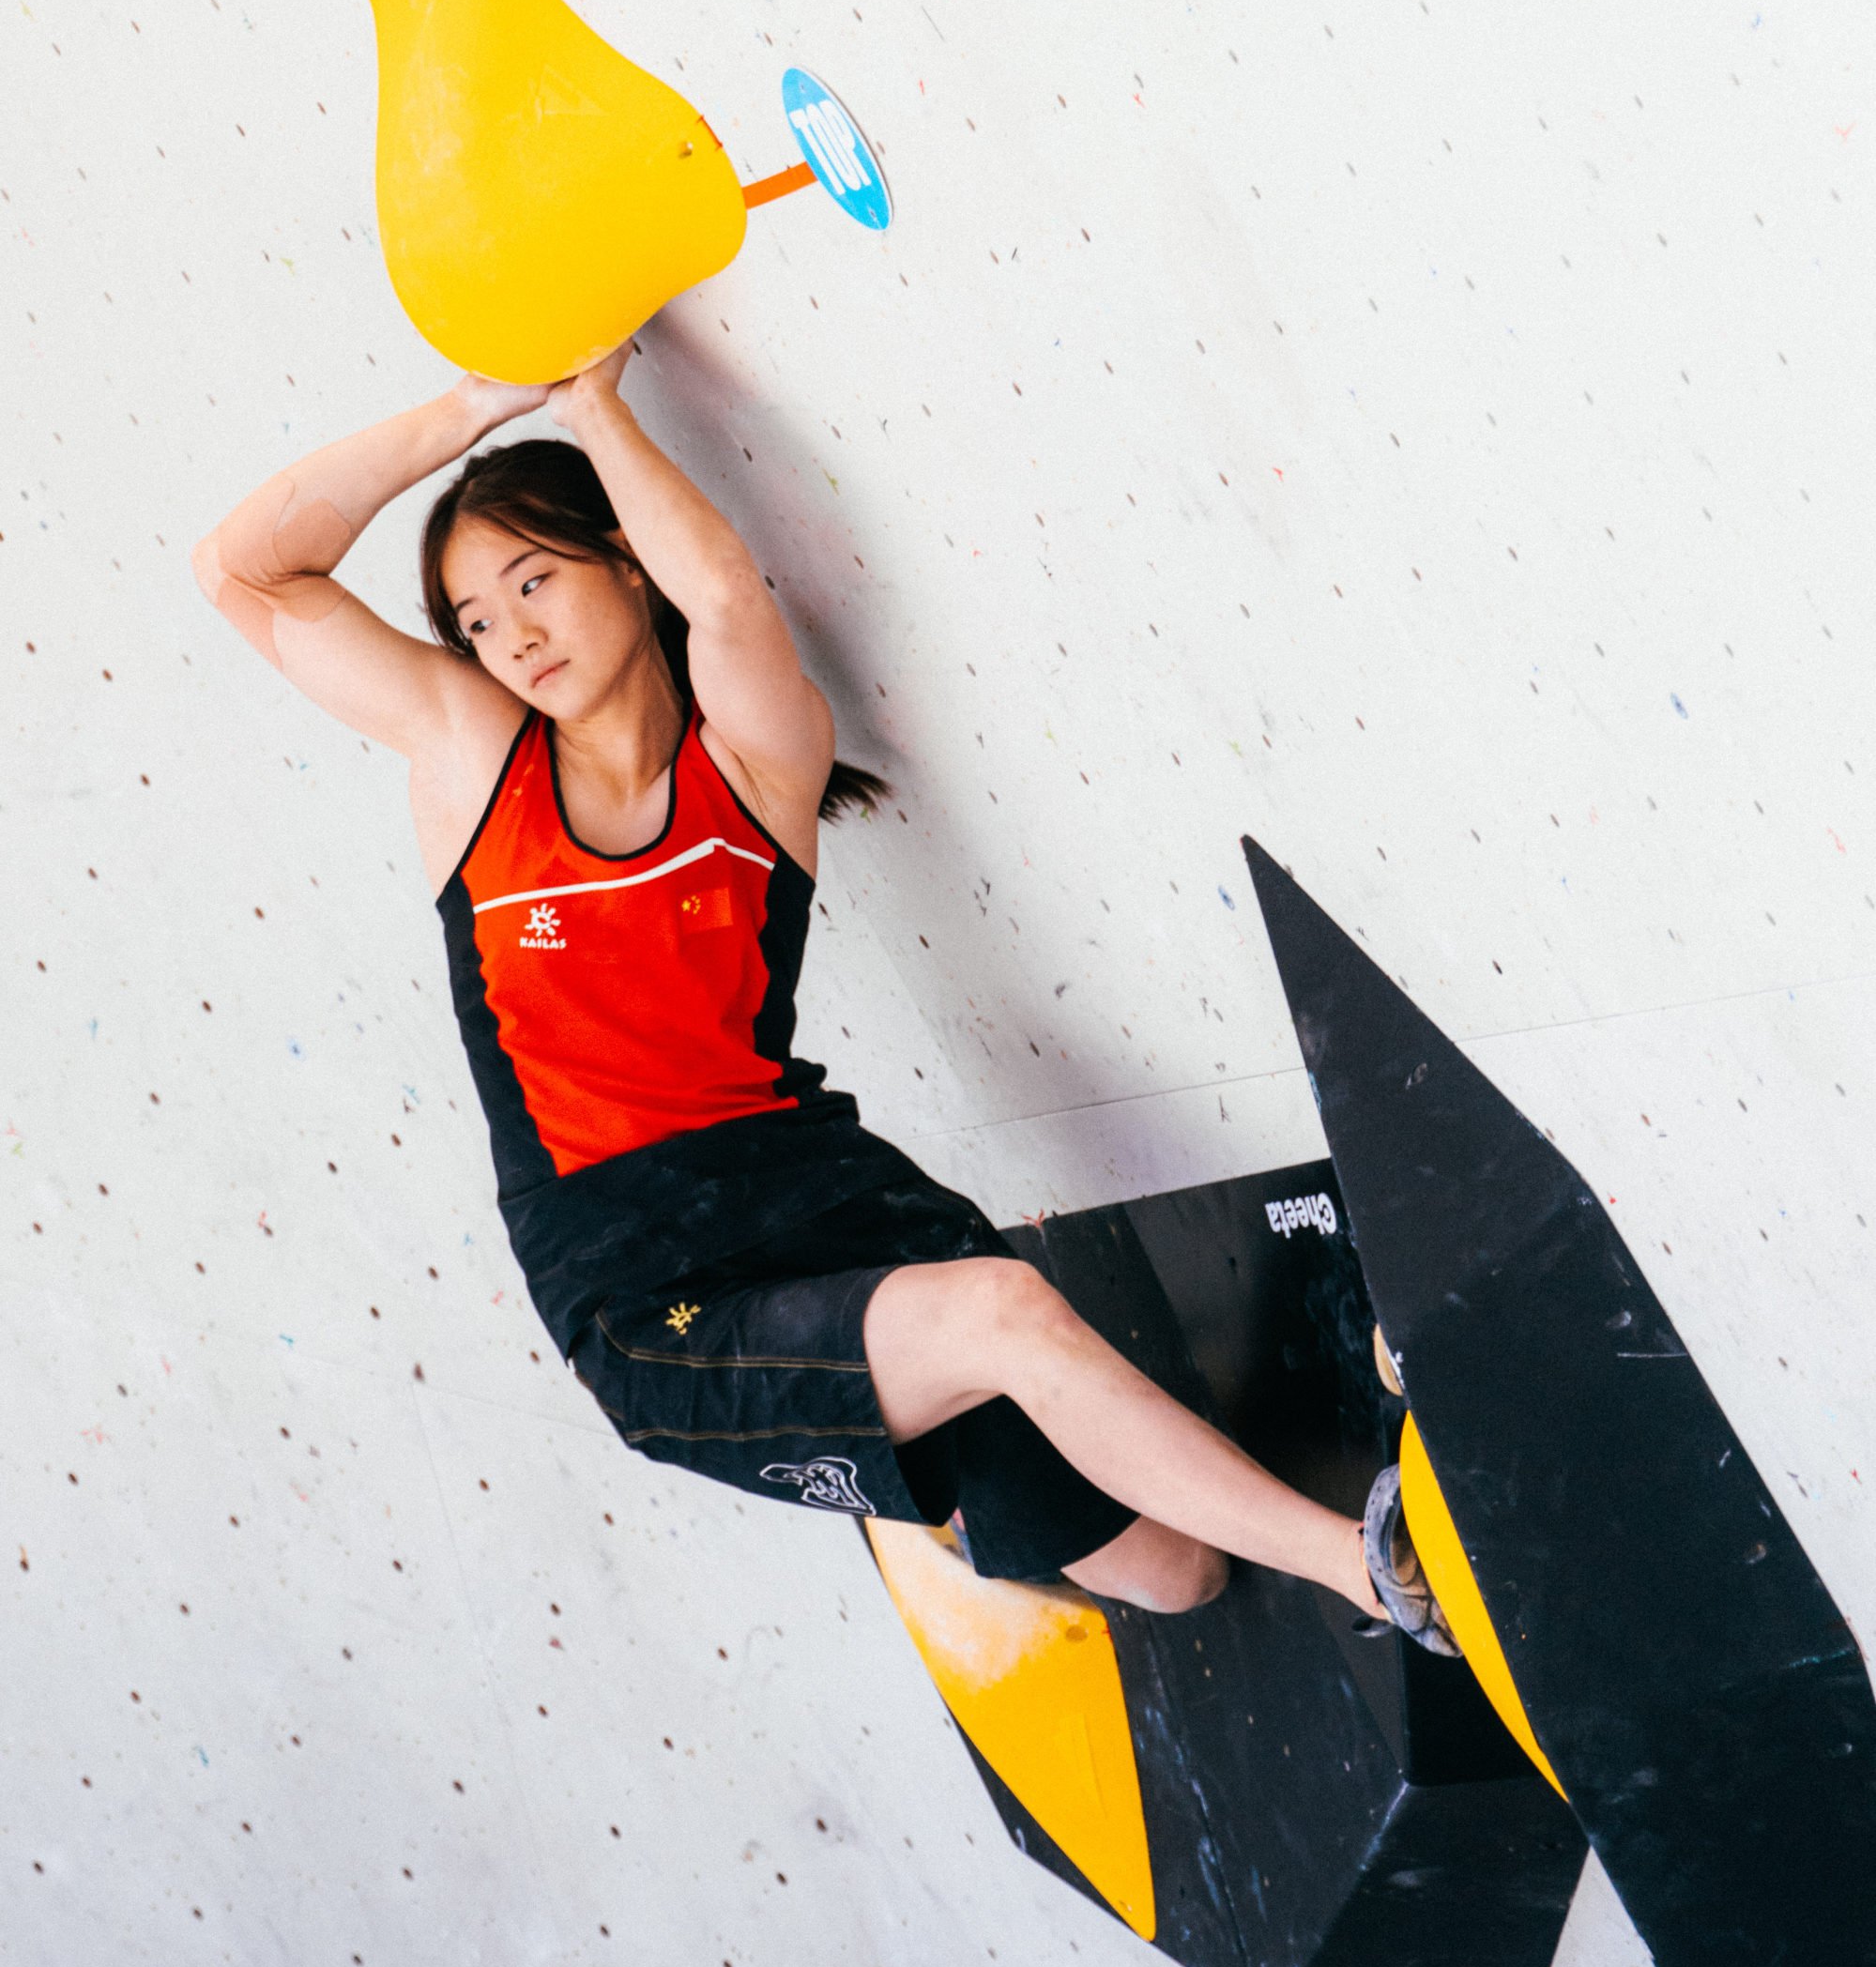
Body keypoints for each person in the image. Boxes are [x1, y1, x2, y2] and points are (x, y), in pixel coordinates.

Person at [192, 344, 1451, 1641]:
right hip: (642, 1285)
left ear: (626, 560)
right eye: (473, 617)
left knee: (1175, 1569)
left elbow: (729, 599)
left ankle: (979, 1506)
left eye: (534, 579)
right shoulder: (471, 761)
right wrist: (476, 407)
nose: (510, 634)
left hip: (823, 1193)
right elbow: (240, 570)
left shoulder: (751, 758)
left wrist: (593, 407)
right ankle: (1374, 1568)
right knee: (1021, 1338)